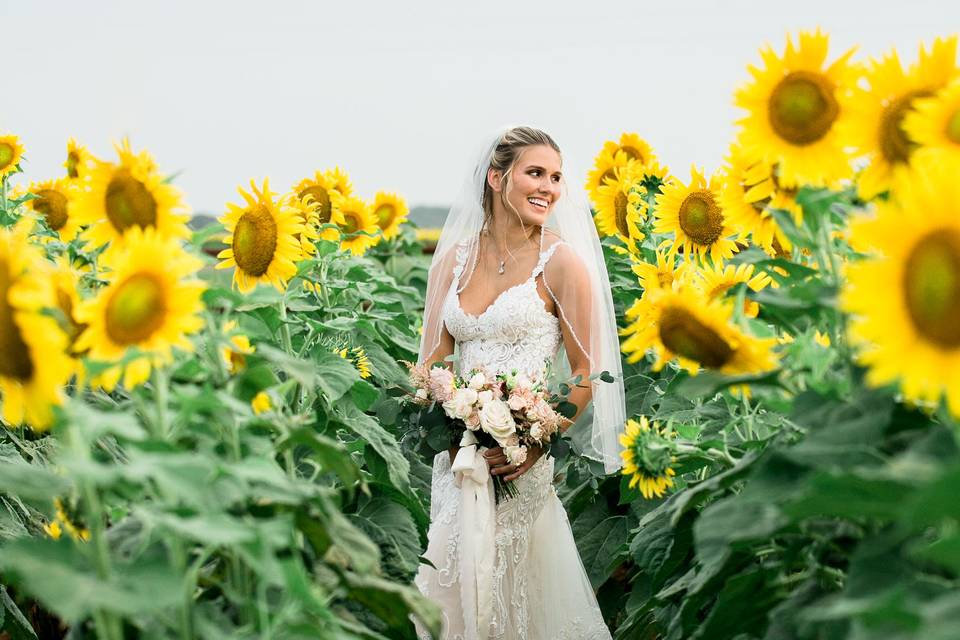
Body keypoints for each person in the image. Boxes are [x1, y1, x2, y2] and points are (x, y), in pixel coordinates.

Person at [413, 126, 626, 640]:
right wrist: (453, 408)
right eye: (535, 173)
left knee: (511, 595)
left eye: (556, 177)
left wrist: (533, 442)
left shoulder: (562, 264)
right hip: (459, 459)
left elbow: (587, 372)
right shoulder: (453, 262)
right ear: (496, 178)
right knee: (447, 590)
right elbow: (434, 362)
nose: (549, 188)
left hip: (519, 465)